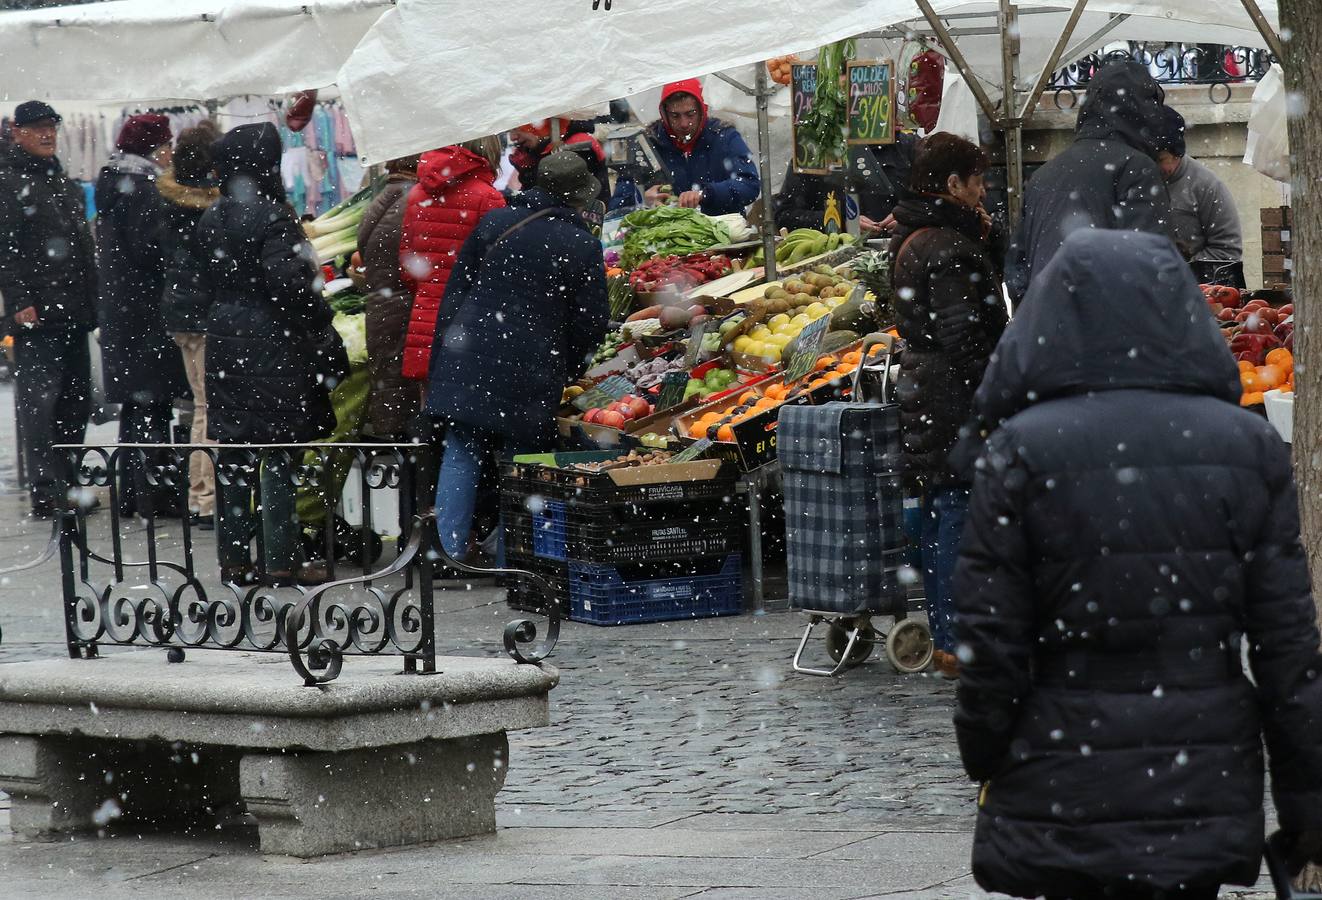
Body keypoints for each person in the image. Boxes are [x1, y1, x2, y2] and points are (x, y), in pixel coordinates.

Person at [953, 229, 1322, 900]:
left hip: (1062, 776)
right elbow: (1288, 650)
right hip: (1200, 779)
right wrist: (1307, 805)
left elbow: (990, 641)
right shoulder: (1245, 447)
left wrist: (987, 753)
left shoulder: (1020, 452)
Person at [426, 151, 609, 564]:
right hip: (530, 363)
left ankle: (449, 552)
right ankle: (516, 559)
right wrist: (574, 365)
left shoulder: (495, 223)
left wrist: (444, 358)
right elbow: (591, 321)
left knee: (462, 448)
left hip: (468, 354)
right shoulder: (580, 243)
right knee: (522, 461)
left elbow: (455, 294)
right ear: (579, 198)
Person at [193, 123, 345, 584]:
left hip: (226, 339)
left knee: (236, 456)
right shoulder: (273, 218)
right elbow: (293, 287)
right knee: (277, 452)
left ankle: (234, 559)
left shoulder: (213, 215)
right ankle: (282, 559)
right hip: (271, 344)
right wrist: (321, 327)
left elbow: (205, 280)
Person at [888, 133, 1007, 680]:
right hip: (954, 397)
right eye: (976, 178)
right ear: (953, 184)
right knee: (957, 508)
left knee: (940, 506)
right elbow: (963, 337)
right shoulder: (948, 247)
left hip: (926, 391)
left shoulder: (917, 236)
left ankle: (944, 632)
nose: (984, 188)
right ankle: (956, 639)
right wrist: (993, 388)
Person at [0, 101, 98, 517]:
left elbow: (77, 242)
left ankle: (68, 480)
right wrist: (20, 300)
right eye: (38, 128)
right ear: (18, 132)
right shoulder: (8, 181)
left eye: (51, 127)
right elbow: (5, 248)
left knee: (75, 399)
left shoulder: (58, 178)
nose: (47, 134)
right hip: (38, 312)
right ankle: (47, 488)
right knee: (41, 402)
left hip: (72, 307)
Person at [1004, 60, 1172, 303]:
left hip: (1045, 326)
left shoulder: (1045, 173)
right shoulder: (1135, 168)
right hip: (1106, 329)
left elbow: (1017, 270)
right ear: (1146, 111)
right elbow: (1149, 268)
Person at [95, 113, 189, 518]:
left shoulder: (115, 184)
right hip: (146, 315)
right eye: (166, 145)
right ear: (155, 149)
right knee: (150, 403)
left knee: (140, 406)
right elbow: (151, 250)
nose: (169, 154)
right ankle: (154, 493)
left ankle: (136, 493)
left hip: (124, 314)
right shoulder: (143, 190)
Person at [398, 138, 507, 382]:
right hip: (470, 319)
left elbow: (407, 266)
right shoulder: (488, 198)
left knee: (430, 403)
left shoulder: (417, 194)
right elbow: (497, 270)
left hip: (424, 316)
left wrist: (429, 290)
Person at [157, 122, 221, 528]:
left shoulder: (167, 202)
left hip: (181, 312)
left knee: (201, 404)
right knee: (208, 406)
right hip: (203, 314)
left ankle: (200, 494)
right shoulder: (210, 207)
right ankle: (207, 496)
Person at [608, 79, 761, 216]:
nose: (683, 123)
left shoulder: (724, 136)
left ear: (702, 110)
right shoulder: (647, 144)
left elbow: (749, 186)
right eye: (675, 115)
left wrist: (706, 194)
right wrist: (642, 199)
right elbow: (617, 208)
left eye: (691, 114)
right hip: (666, 238)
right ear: (664, 114)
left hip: (723, 233)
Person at [357, 154, 420, 439]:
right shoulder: (412, 200)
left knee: (392, 394)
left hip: (382, 311)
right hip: (404, 313)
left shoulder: (384, 197)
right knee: (407, 408)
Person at [1154, 105, 1244, 283]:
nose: (1159, 167)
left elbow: (1227, 251)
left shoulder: (1207, 186)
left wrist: (1180, 271)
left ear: (1178, 154)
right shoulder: (1135, 180)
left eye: (1161, 160)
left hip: (1200, 291)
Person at [773, 135, 920, 235]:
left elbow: (937, 204)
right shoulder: (813, 150)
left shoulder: (908, 147)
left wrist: (909, 216)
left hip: (899, 253)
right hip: (834, 260)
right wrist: (841, 222)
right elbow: (785, 215)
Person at [508, 120, 612, 208]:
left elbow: (574, 197)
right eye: (510, 130)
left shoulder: (578, 145)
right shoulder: (532, 151)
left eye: (517, 128)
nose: (512, 137)